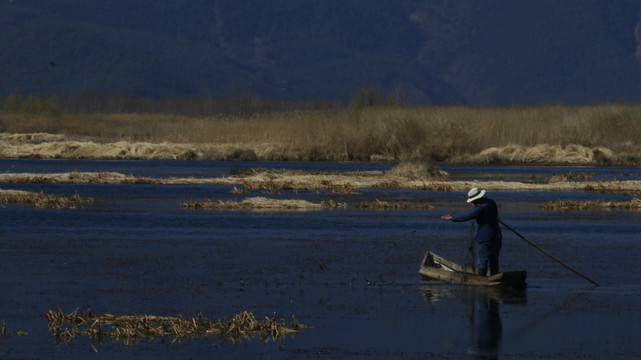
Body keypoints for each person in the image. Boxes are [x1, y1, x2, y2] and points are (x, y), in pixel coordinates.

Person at [441, 188, 502, 276]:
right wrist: (476, 205)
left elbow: (467, 216)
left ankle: (482, 280)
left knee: (483, 260)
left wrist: (451, 218)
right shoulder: (491, 202)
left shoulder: (480, 208)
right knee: (494, 259)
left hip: (485, 237)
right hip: (497, 235)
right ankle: (494, 277)